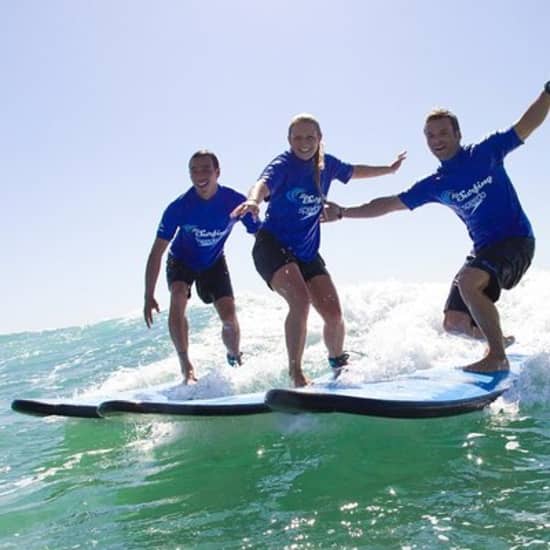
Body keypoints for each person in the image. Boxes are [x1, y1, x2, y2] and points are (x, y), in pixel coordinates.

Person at [323, 81, 550, 374]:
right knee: (454, 322)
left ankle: (496, 356)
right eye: (430, 135)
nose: (436, 139)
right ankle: (498, 340)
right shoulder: (436, 184)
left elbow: (526, 125)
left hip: (516, 240)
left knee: (469, 283)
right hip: (483, 249)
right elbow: (389, 204)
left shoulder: (485, 153)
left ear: (458, 134)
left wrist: (547, 92)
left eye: (443, 132)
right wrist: (343, 212)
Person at [231, 113, 406, 387]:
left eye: (310, 137)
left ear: (319, 139)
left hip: (307, 251)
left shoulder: (327, 165)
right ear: (289, 140)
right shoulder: (283, 165)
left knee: (334, 315)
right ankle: (296, 373)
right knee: (300, 302)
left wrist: (389, 169)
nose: (304, 143)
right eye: (298, 138)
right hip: (272, 246)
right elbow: (262, 183)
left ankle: (338, 364)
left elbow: (355, 170)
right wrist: (253, 201)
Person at [144, 150, 260, 384]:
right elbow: (156, 252)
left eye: (206, 169)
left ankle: (234, 356)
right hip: (181, 260)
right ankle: (186, 366)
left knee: (228, 316)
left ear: (217, 172)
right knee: (177, 295)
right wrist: (148, 294)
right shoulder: (179, 207)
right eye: (194, 170)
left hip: (214, 261)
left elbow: (261, 233)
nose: (200, 174)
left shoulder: (234, 201)